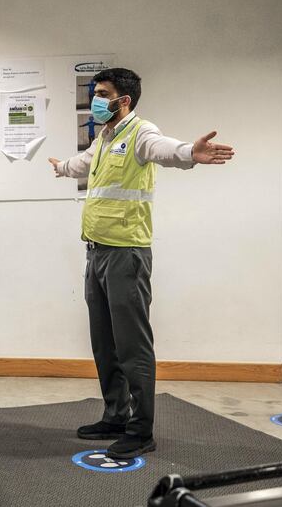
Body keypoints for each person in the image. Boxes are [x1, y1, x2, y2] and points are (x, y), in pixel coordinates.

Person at [48, 68, 234, 459]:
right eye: (95, 92)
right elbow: (83, 163)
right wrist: (62, 167)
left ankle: (141, 429)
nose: (96, 99)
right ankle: (115, 416)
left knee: (133, 346)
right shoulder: (104, 138)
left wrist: (189, 153)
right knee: (105, 344)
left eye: (102, 93)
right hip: (96, 252)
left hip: (126, 256)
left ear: (124, 101)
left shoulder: (139, 133)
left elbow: (163, 149)